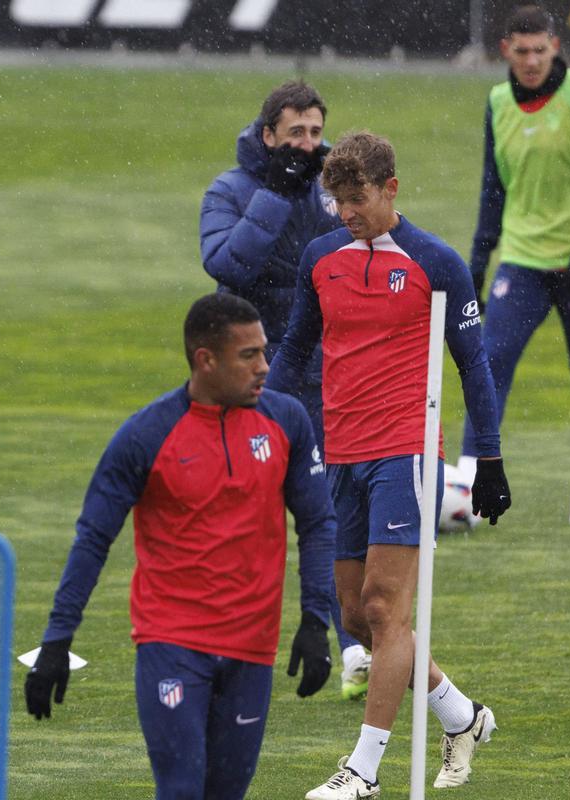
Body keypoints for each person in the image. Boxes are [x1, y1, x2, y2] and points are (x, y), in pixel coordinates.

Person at [266, 132, 512, 797]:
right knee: (357, 618)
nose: (348, 212)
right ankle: (461, 715)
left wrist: (488, 456)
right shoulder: (321, 258)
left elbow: (474, 363)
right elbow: (294, 350)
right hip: (340, 451)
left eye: (359, 198)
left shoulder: (436, 262)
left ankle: (363, 771)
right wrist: (255, 417)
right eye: (338, 200)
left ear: (390, 189)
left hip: (406, 451)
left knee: (384, 605)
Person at [25, 293, 338, 799]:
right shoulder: (146, 436)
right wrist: (57, 641)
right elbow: (93, 540)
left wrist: (314, 621)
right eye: (249, 355)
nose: (265, 367)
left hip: (251, 648)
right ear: (205, 359)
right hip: (172, 643)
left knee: (226, 793)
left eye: (264, 352)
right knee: (181, 789)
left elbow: (319, 523)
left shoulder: (287, 421)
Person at [200, 80, 371, 701]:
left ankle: (348, 645)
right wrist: (276, 191)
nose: (306, 145)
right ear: (268, 134)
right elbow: (228, 266)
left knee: (326, 512)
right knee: (239, 508)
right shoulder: (232, 190)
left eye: (315, 133)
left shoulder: (332, 191)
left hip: (325, 375)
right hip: (248, 380)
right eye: (294, 133)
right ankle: (223, 641)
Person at [459, 4, 570, 526]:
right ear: (506, 52)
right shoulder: (497, 102)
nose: (532, 61)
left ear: (555, 47)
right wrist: (477, 260)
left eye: (540, 50)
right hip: (523, 256)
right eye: (522, 52)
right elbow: (493, 187)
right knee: (489, 361)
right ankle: (468, 485)